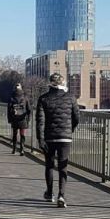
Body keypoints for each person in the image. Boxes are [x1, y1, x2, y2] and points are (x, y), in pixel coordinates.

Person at [36, 73, 78, 208]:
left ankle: (49, 193)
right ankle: (62, 194)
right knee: (63, 166)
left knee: (49, 165)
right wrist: (69, 129)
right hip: (65, 137)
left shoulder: (43, 99)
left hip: (49, 136)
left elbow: (40, 121)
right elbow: (76, 117)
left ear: (50, 83)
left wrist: (40, 138)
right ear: (63, 83)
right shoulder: (71, 97)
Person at [7, 83, 31, 155]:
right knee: (22, 134)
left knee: (14, 134)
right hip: (22, 119)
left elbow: (8, 109)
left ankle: (14, 149)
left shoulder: (12, 97)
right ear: (21, 88)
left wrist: (9, 119)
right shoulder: (25, 97)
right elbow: (29, 109)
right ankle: (22, 149)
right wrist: (28, 119)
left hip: (14, 118)